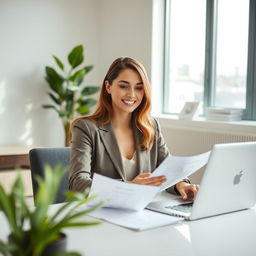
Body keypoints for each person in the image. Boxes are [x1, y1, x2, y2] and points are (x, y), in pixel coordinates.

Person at [69, 57, 199, 200]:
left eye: (138, 88)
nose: (131, 94)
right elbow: (77, 184)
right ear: (108, 87)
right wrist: (128, 187)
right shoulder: (86, 128)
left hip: (141, 212)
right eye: (124, 86)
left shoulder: (151, 126)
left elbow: (168, 170)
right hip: (100, 213)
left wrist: (181, 184)